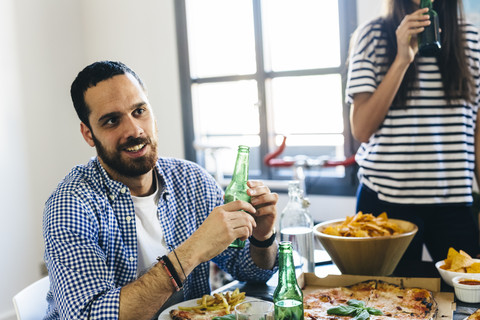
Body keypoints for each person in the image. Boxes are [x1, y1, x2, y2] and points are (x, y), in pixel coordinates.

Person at [42, 61, 279, 320]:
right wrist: (193, 250)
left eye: (139, 111)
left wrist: (262, 236)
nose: (134, 130)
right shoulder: (71, 205)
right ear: (88, 134)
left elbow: (253, 271)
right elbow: (88, 316)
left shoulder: (193, 181)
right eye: (111, 121)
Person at [346, 0, 480, 263]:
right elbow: (361, 129)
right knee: (382, 299)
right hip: (385, 202)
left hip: (454, 199)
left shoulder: (472, 40)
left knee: (469, 296)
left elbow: (477, 137)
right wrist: (402, 59)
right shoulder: (372, 35)